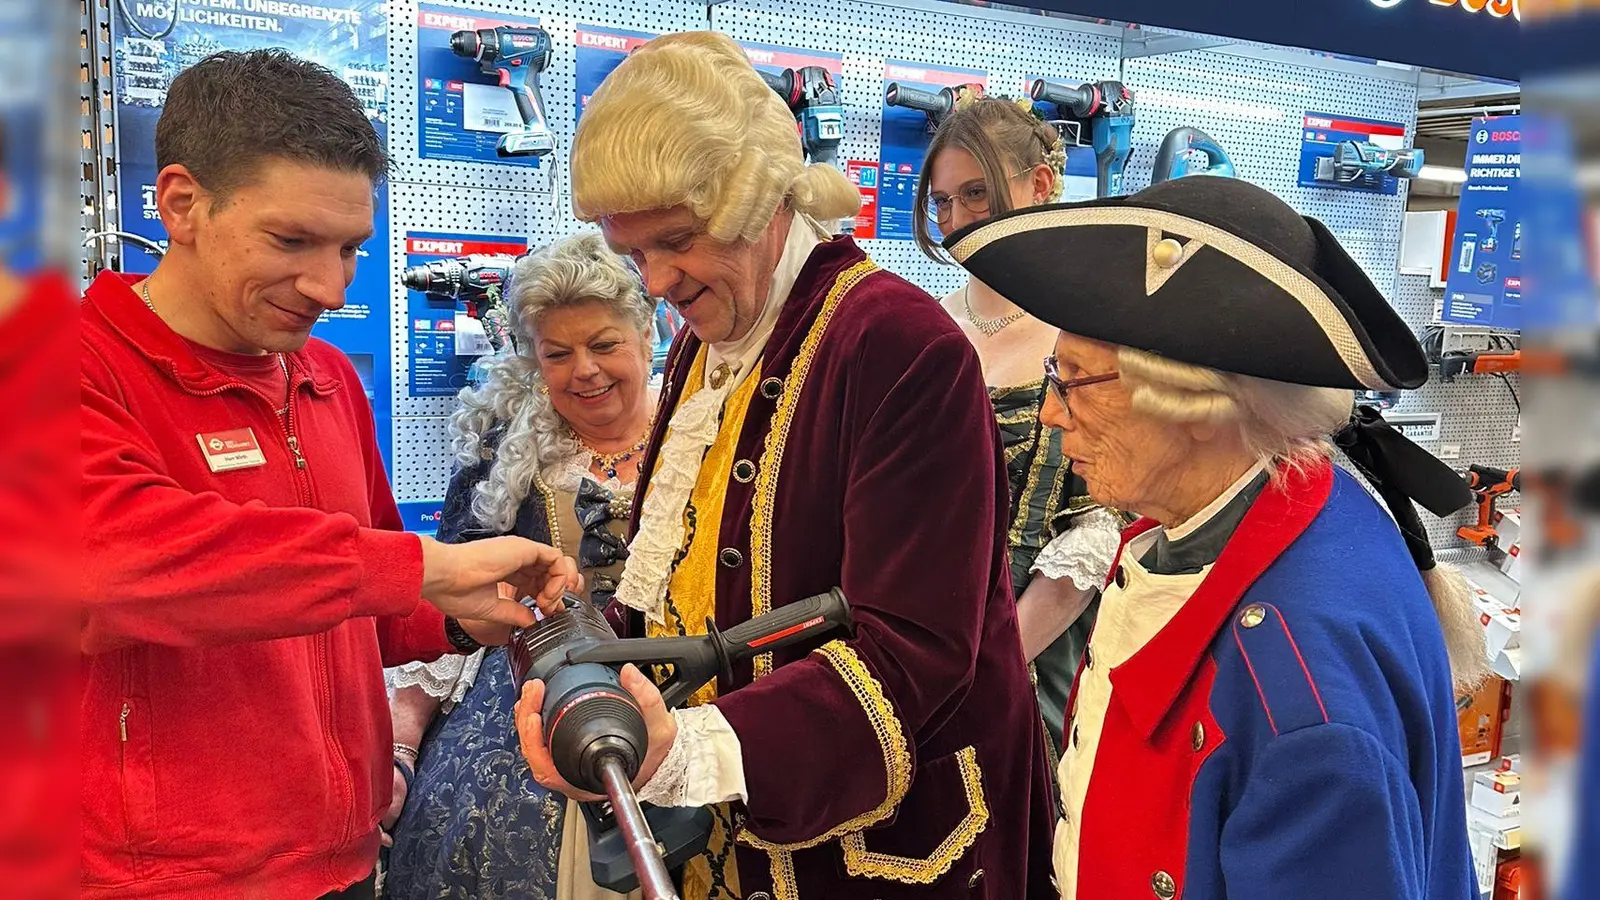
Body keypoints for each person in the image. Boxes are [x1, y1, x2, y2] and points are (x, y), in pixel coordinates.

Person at [515, 31, 1057, 900]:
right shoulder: (706, 336)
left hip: (878, 851)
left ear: (762, 200)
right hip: (731, 844)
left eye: (676, 241)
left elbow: (917, 649)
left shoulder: (899, 344)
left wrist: (692, 751)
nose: (654, 282)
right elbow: (681, 571)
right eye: (632, 253)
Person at [79, 50, 576, 899]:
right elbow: (119, 567)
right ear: (181, 204)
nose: (330, 284)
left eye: (350, 247)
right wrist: (427, 566)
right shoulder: (67, 370)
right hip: (160, 880)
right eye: (292, 240)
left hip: (341, 862)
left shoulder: (325, 378)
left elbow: (358, 598)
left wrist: (458, 616)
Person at [943, 175, 1486, 899]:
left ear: (1193, 404)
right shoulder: (1224, 523)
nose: (1049, 413)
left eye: (1073, 380)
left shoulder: (1299, 687)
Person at [383, 233, 656, 900]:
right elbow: (449, 608)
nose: (584, 369)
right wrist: (401, 745)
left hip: (688, 701)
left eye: (604, 344)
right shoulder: (502, 457)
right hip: (532, 709)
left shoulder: (703, 433)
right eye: (557, 354)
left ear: (648, 333)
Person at [915, 96, 1122, 756]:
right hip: (918, 641)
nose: (956, 220)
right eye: (943, 202)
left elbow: (1094, 529)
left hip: (1035, 653)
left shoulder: (1092, 327)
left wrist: (990, 665)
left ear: (1040, 184)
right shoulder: (920, 325)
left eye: (976, 193)